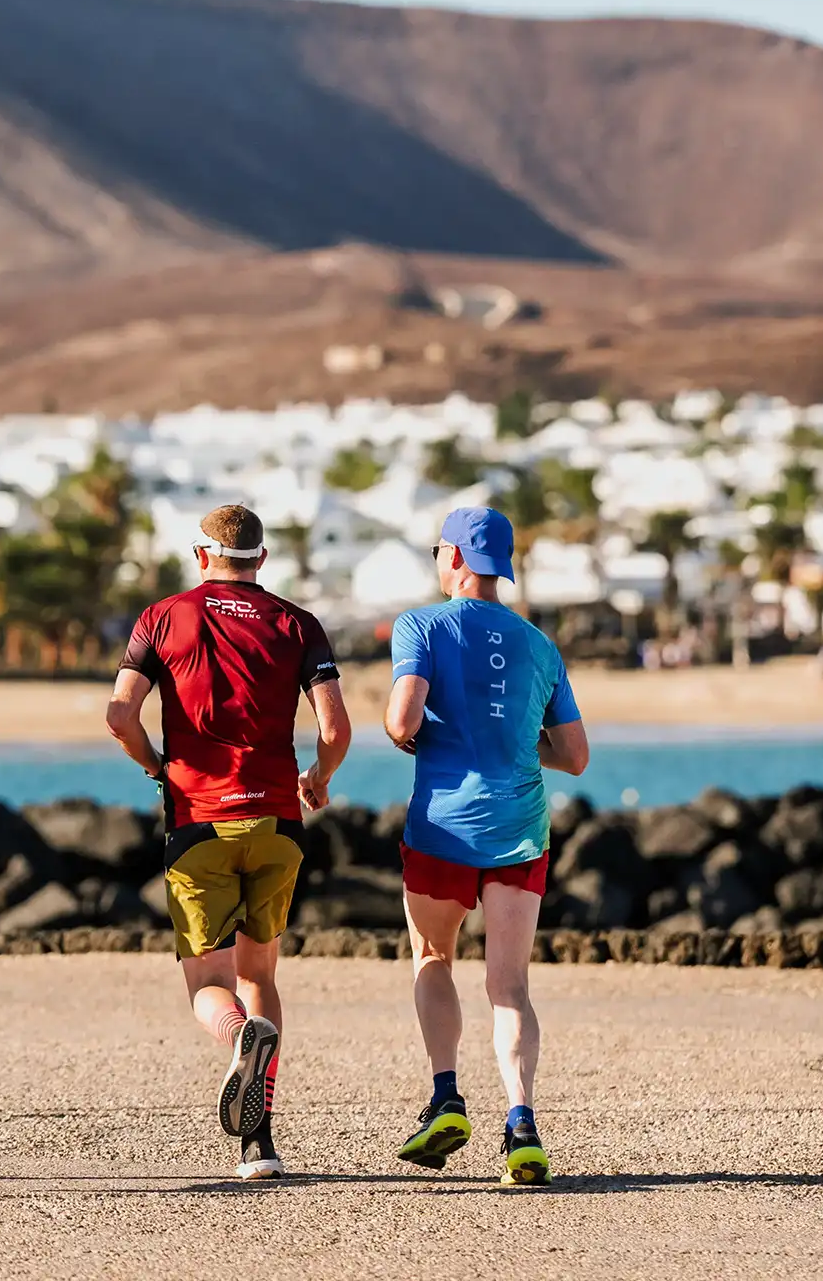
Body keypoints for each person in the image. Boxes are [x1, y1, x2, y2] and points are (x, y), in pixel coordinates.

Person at [104, 503, 350, 1181]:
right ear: (261, 559)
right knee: (259, 976)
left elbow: (120, 714)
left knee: (209, 987)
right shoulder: (298, 624)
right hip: (276, 822)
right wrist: (319, 778)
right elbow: (334, 730)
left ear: (200, 555)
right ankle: (258, 1144)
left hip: (198, 822)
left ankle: (239, 1036)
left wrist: (155, 766)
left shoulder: (163, 617)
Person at [383, 507, 588, 1187]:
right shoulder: (539, 645)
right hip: (520, 830)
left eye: (439, 552)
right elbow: (575, 756)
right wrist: (515, 743)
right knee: (510, 985)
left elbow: (402, 720)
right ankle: (522, 1124)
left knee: (432, 957)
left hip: (443, 828)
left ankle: (446, 1096)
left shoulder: (422, 625)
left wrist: (420, 733)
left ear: (455, 558)